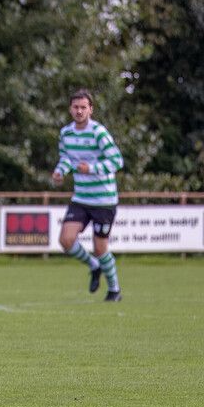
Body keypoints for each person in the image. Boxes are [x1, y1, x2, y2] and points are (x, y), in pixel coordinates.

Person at [52, 89, 123, 302]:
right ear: (70, 109)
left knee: (100, 248)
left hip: (104, 199)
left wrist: (91, 168)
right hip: (81, 197)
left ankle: (114, 290)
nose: (79, 111)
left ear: (90, 109)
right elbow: (66, 158)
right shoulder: (66, 133)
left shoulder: (98, 132)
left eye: (84, 107)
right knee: (65, 240)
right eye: (76, 107)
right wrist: (59, 171)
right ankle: (94, 266)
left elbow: (117, 161)